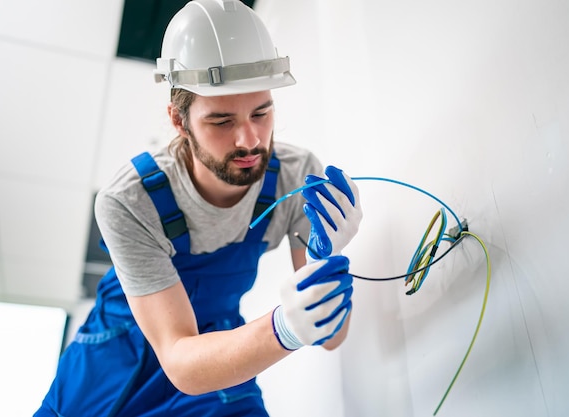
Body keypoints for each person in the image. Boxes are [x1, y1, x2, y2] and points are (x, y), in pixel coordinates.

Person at [35, 0, 362, 415]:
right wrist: (283, 329)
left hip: (219, 360)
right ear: (179, 120)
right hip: (109, 374)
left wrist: (326, 256)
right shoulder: (129, 200)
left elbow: (331, 337)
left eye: (262, 112)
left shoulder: (298, 177)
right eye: (222, 121)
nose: (249, 140)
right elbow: (178, 357)